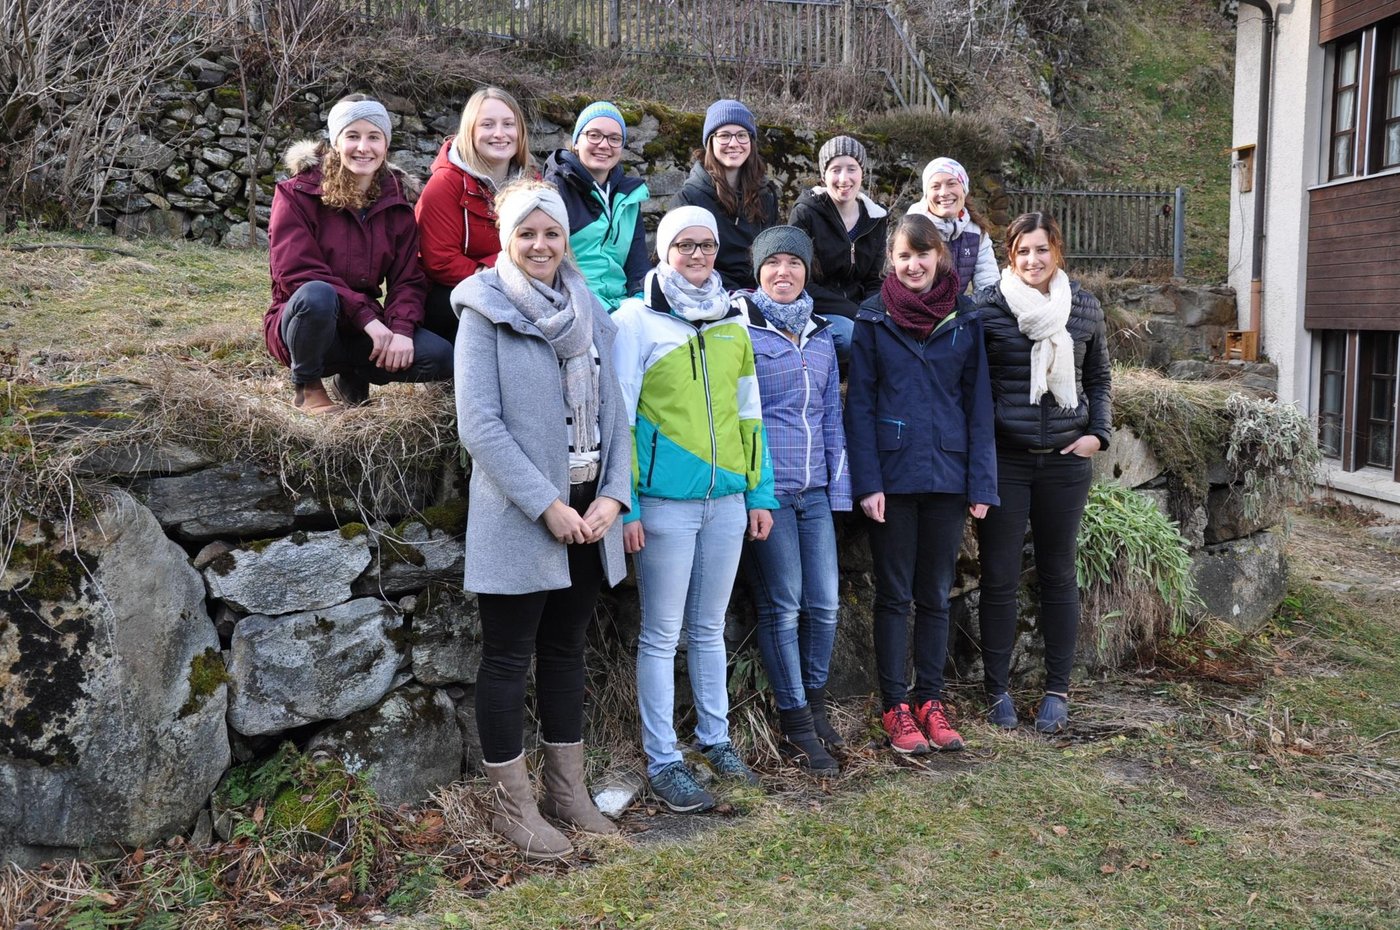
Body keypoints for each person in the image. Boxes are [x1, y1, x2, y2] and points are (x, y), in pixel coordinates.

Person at [453, 179, 631, 860]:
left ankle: (567, 794)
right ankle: (512, 808)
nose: (539, 245)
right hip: (522, 517)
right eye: (526, 233)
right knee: (507, 658)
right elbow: (480, 427)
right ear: (506, 238)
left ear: (566, 240)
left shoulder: (588, 309)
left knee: (565, 652)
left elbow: (615, 410)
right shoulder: (483, 311)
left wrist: (612, 496)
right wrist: (548, 506)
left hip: (589, 515)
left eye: (551, 233)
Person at [613, 205, 778, 812]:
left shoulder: (735, 315)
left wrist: (758, 491)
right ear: (663, 250)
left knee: (709, 628)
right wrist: (625, 505)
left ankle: (715, 739)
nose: (697, 255)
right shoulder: (635, 319)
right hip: (662, 503)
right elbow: (620, 418)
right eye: (683, 245)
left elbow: (749, 411)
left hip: (728, 499)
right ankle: (663, 759)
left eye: (706, 245)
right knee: (661, 635)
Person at [845, 213, 997, 755]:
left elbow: (979, 404)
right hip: (892, 476)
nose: (913, 265)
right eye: (903, 256)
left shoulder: (966, 318)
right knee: (894, 595)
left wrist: (982, 484)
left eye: (922, 254)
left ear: (940, 258)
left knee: (935, 593)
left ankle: (930, 701)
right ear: (891, 261)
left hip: (949, 476)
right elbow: (858, 406)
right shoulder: (872, 318)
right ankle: (895, 707)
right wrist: (868, 482)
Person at [973, 212, 1111, 734]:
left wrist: (1098, 434)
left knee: (1058, 574)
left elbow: (1098, 377)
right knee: (1000, 579)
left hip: (1064, 462)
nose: (1033, 260)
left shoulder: (1084, 307)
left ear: (1058, 252)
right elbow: (974, 390)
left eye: (1042, 249)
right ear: (1010, 255)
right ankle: (997, 690)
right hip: (1006, 461)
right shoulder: (987, 309)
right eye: (1022, 251)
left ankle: (1057, 689)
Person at [734, 226, 850, 774]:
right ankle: (796, 719)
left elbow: (830, 417)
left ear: (808, 271)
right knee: (785, 604)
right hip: (769, 496)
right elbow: (738, 416)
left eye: (794, 264)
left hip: (815, 494)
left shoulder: (822, 334)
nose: (784, 272)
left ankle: (817, 703)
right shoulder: (741, 328)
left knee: (824, 603)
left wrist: (838, 487)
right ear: (758, 272)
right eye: (773, 263)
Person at [265, 94, 452, 414]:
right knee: (317, 295)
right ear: (336, 142)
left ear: (386, 144)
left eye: (373, 137)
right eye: (352, 136)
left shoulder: (397, 205)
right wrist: (368, 318)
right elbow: (297, 272)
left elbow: (409, 280)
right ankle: (308, 386)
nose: (363, 147)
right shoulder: (297, 194)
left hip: (361, 331)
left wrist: (402, 331)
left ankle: (353, 376)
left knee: (440, 356)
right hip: (305, 323)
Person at [417, 87, 536, 343]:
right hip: (447, 295)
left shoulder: (533, 183)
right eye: (487, 124)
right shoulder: (445, 183)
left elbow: (544, 242)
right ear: (470, 130)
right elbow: (439, 260)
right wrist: (496, 273)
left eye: (508, 124)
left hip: (512, 283)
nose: (499, 133)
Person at [787, 135, 888, 361]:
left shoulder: (876, 218)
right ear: (824, 175)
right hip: (816, 308)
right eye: (835, 169)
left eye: (852, 168)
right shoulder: (806, 213)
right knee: (850, 336)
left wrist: (872, 312)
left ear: (862, 172)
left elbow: (874, 279)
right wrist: (857, 314)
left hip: (859, 308)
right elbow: (800, 282)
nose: (844, 178)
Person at [543, 101, 650, 312]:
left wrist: (641, 302)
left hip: (623, 305)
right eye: (594, 135)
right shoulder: (554, 189)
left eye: (614, 139)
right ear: (576, 142)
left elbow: (638, 266)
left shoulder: (629, 198)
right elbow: (552, 267)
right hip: (575, 303)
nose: (604, 145)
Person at [671, 99, 778, 291]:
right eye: (725, 135)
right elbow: (683, 264)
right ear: (711, 141)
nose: (734, 143)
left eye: (742, 135)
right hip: (709, 293)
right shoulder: (689, 199)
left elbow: (774, 256)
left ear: (751, 142)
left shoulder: (766, 196)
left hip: (761, 294)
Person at [906, 157, 998, 295]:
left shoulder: (976, 232)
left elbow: (988, 284)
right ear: (926, 194)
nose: (944, 193)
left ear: (964, 189)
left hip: (958, 312)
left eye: (951, 184)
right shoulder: (911, 229)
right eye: (935, 186)